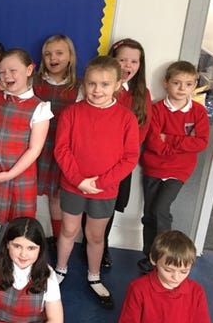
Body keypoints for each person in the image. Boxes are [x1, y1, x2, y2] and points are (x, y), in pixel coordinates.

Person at [54, 56, 139, 308]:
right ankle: (60, 269)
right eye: (92, 84)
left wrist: (101, 182)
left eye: (104, 84)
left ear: (117, 85)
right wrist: (79, 180)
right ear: (84, 83)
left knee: (95, 235)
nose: (97, 90)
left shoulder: (126, 118)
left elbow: (129, 157)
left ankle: (94, 276)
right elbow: (62, 150)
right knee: (68, 230)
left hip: (105, 190)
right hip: (72, 185)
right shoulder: (71, 113)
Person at [0, 48, 52, 268]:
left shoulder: (40, 108)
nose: (7, 76)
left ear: (29, 69)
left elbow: (34, 150)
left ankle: (2, 258)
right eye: (2, 71)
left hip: (17, 175)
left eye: (13, 70)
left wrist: (9, 175)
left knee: (10, 222)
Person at [137, 61, 209, 274]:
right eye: (176, 83)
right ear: (166, 83)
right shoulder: (157, 109)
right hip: (153, 168)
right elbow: (152, 143)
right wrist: (180, 145)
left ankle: (166, 256)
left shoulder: (198, 112)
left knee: (161, 210)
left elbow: (201, 142)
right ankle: (150, 257)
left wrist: (169, 139)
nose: (181, 88)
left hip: (179, 172)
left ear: (194, 85)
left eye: (187, 84)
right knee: (149, 214)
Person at [90, 38, 152, 268]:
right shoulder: (101, 88)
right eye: (122, 59)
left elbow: (142, 130)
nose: (128, 65)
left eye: (134, 61)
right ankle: (91, 244)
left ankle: (101, 245)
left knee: (108, 206)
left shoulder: (141, 94)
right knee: (89, 203)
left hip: (121, 164)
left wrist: (120, 156)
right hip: (94, 160)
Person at [119, 230, 213, 323]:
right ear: (153, 260)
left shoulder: (196, 291)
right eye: (168, 270)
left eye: (184, 271)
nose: (176, 278)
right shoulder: (138, 288)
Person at [33, 34, 79, 244]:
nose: (53, 58)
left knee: (56, 197)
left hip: (60, 149)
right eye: (48, 54)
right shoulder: (33, 82)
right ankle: (26, 236)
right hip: (33, 148)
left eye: (59, 53)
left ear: (70, 57)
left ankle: (59, 239)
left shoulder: (79, 88)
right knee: (27, 194)